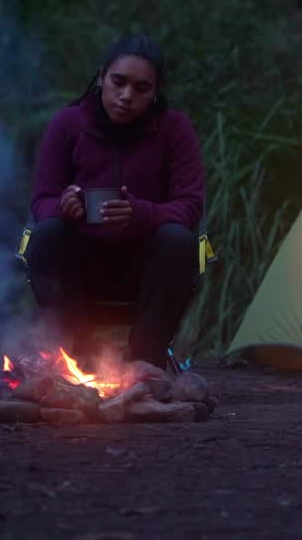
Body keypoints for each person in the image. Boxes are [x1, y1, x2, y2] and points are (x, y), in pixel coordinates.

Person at [25, 33, 204, 368]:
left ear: (155, 93)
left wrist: (140, 213)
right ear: (100, 77)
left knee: (178, 240)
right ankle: (79, 360)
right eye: (118, 82)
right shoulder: (68, 123)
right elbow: (41, 202)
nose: (126, 96)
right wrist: (65, 206)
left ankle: (143, 365)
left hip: (144, 268)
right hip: (81, 264)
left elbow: (190, 206)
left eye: (141, 88)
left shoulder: (174, 129)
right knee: (47, 234)